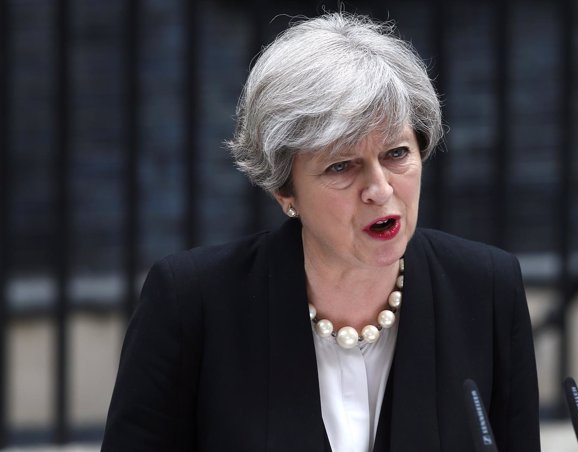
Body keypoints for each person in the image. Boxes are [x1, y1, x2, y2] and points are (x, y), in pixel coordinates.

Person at [101, 12, 540, 452]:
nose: (380, 188)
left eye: (396, 153)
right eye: (341, 166)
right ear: (283, 189)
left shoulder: (487, 290)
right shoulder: (191, 303)